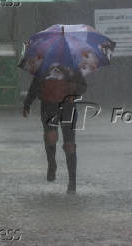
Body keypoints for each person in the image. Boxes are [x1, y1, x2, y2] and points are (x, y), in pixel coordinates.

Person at [23, 65, 87, 194]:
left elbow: (83, 86)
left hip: (68, 107)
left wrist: (71, 89)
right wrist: (28, 103)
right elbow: (35, 86)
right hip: (48, 107)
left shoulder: (72, 67)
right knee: (51, 137)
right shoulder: (44, 67)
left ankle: (72, 182)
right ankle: (52, 163)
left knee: (69, 144)